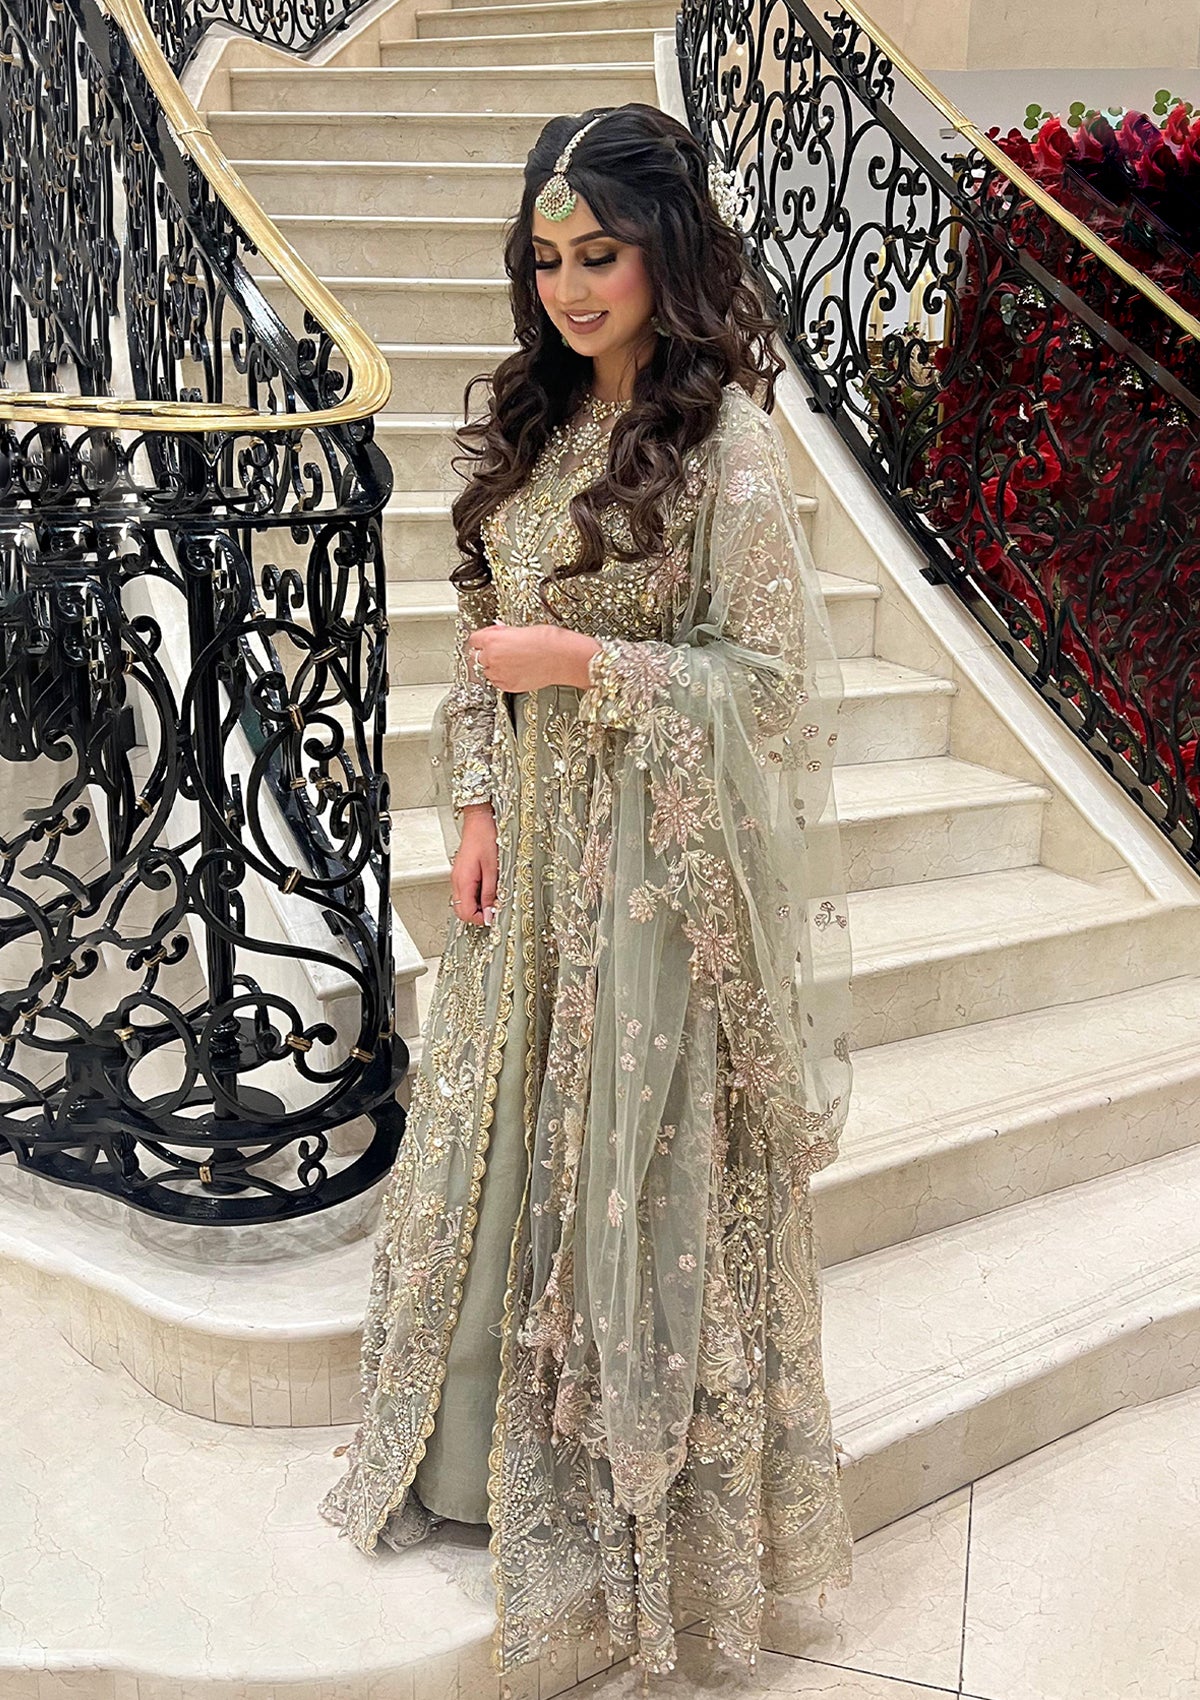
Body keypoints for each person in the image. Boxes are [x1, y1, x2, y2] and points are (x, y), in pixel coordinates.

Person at [320, 101, 854, 1682]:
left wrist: (587, 664)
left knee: (624, 1159)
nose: (569, 287)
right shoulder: (538, 423)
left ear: (665, 252)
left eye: (600, 255)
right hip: (535, 870)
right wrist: (478, 800)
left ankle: (626, 1496)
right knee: (501, 1139)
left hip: (652, 886)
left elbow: (769, 690)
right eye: (548, 258)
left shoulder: (727, 446)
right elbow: (481, 634)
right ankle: (470, 1454)